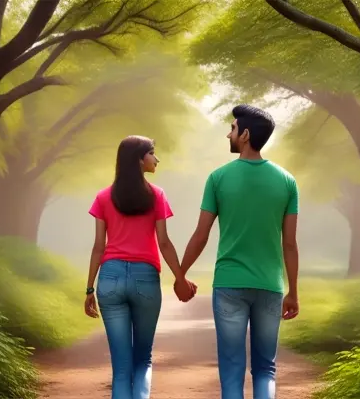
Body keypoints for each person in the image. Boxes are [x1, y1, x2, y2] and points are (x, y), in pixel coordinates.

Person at [179, 104, 300, 399]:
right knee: (265, 369)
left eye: (232, 129)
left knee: (232, 368)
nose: (228, 134)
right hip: (270, 285)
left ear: (245, 135)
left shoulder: (218, 178)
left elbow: (200, 235)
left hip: (229, 285)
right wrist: (293, 291)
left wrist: (181, 273)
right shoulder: (287, 181)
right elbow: (289, 243)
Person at [84, 135, 196, 399]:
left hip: (110, 278)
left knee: (121, 368)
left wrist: (90, 288)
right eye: (152, 153)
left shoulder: (103, 197)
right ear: (138, 159)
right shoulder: (156, 195)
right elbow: (164, 243)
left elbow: (99, 246)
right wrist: (180, 278)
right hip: (145, 279)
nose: (156, 159)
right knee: (142, 359)